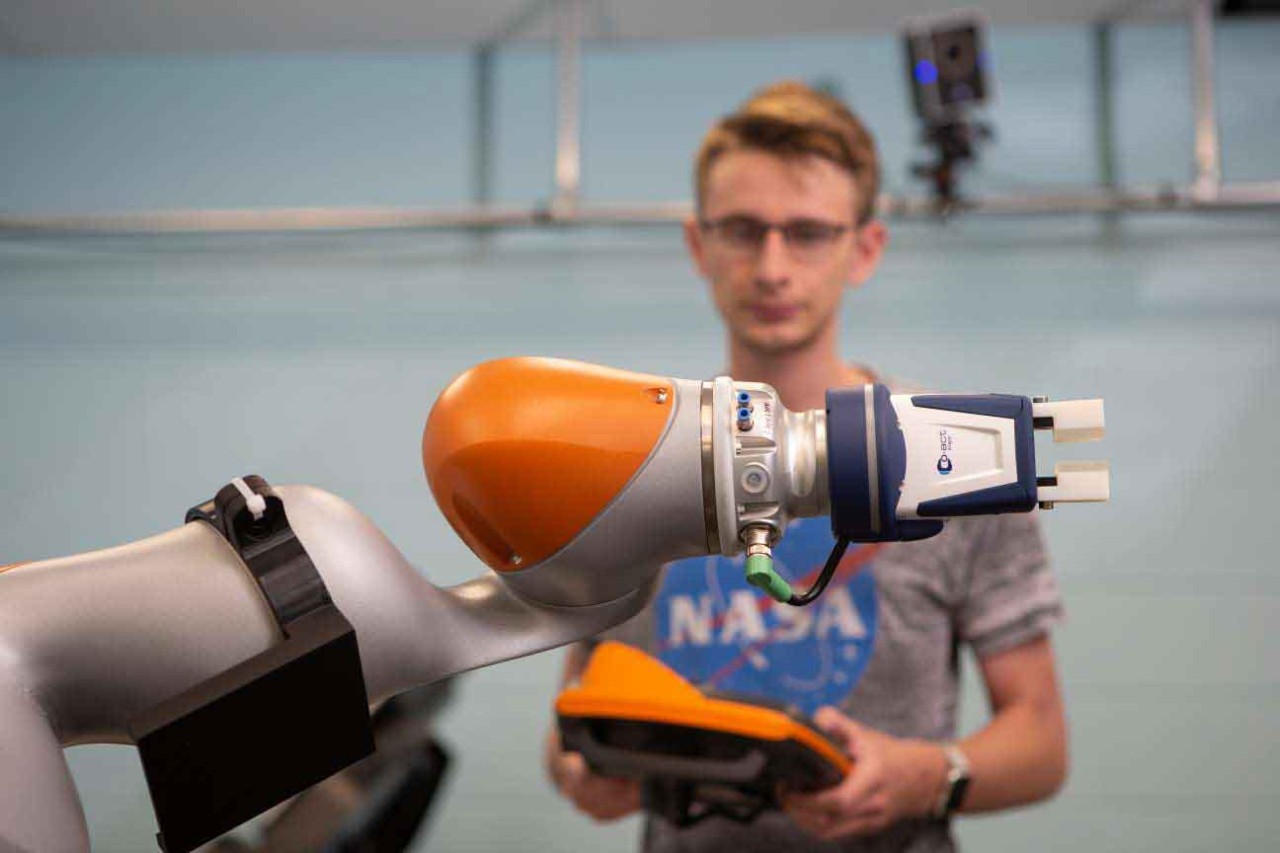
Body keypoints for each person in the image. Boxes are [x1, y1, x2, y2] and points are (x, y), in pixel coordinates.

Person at [543, 80, 1067, 852]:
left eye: (809, 232)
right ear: (699, 244)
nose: (773, 267)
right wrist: (586, 773)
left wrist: (927, 773)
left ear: (865, 248)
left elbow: (1042, 741)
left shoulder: (947, 456)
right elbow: (571, 725)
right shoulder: (632, 469)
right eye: (743, 230)